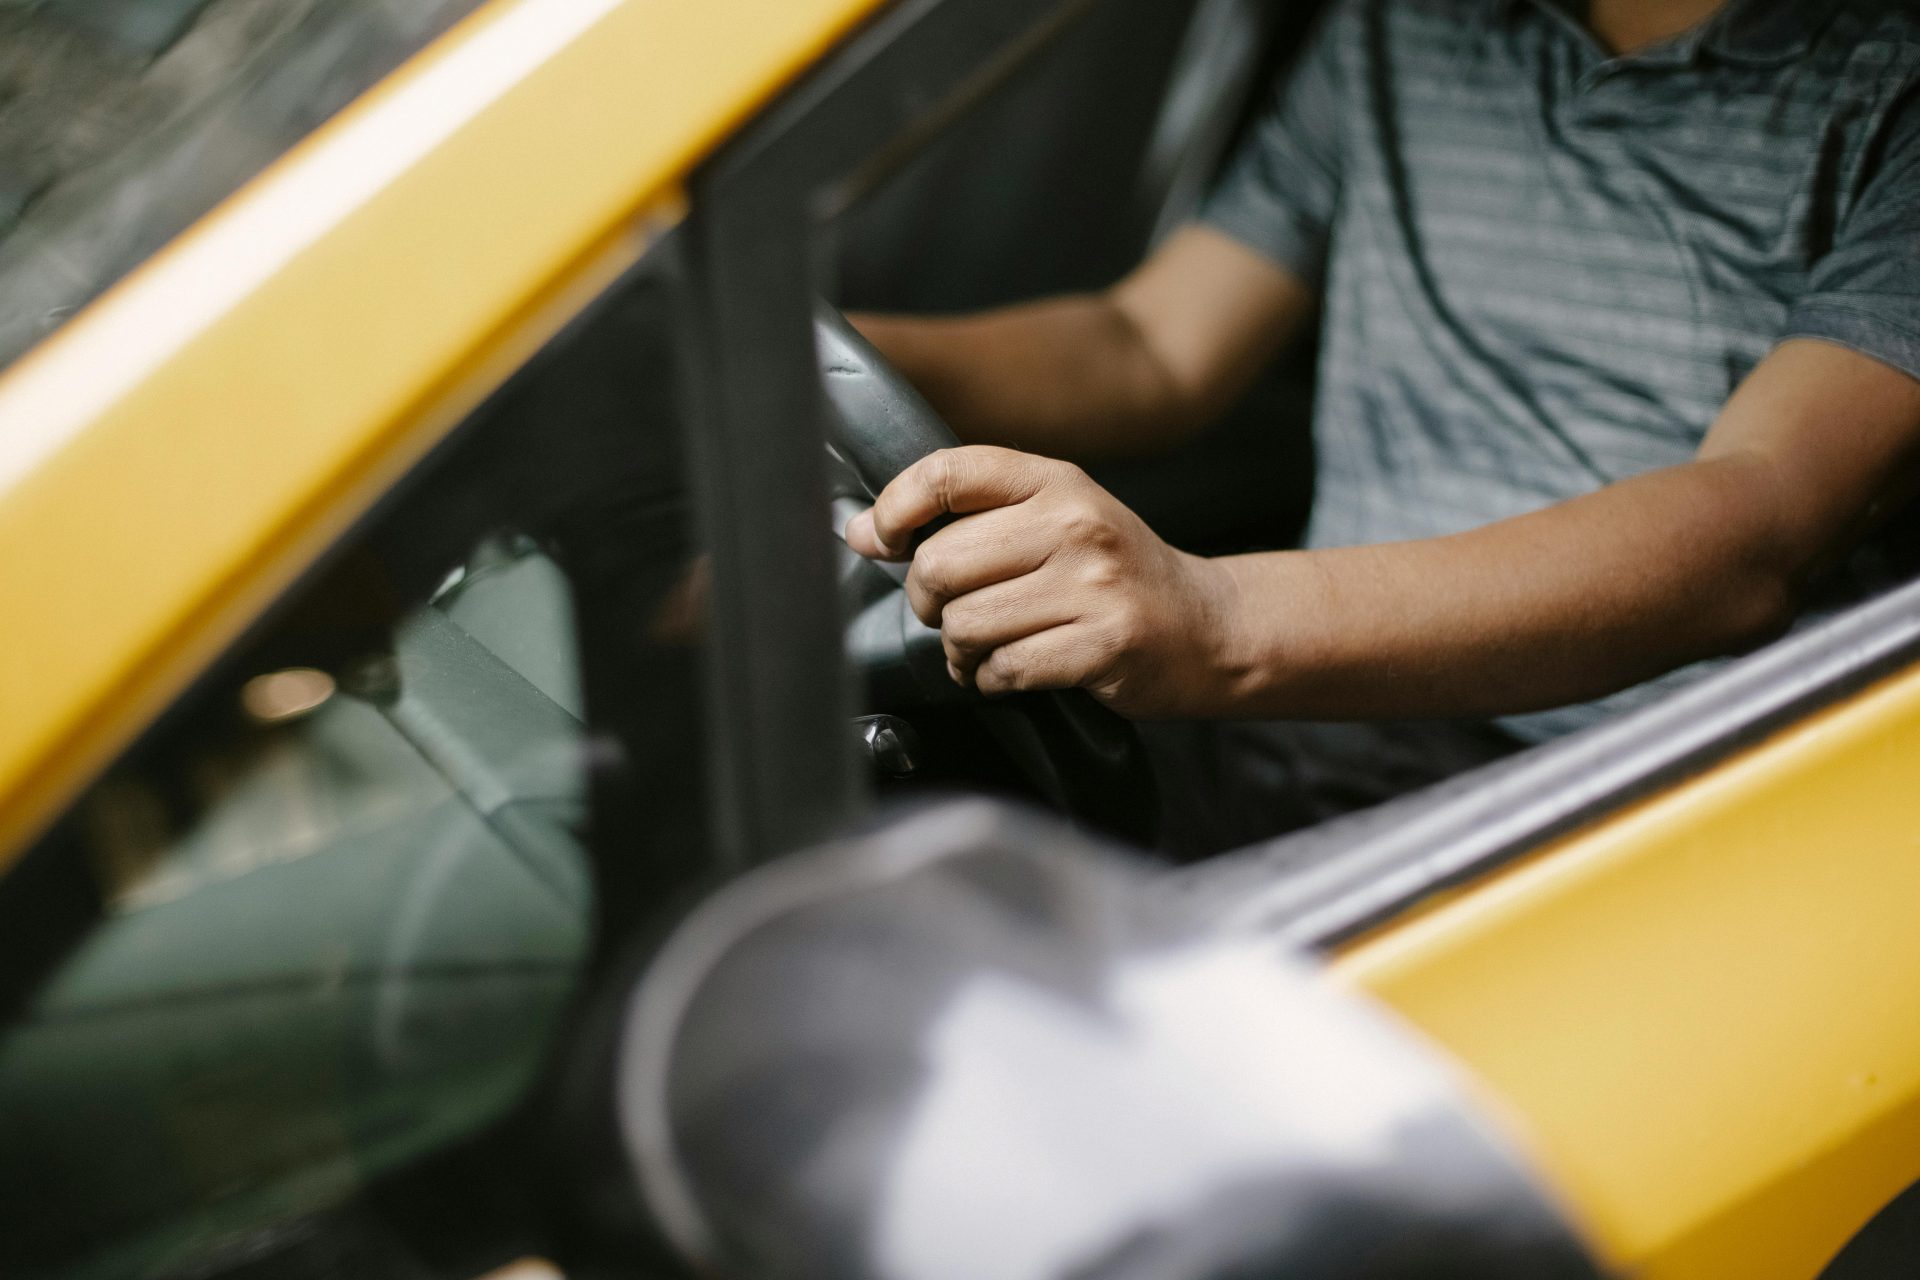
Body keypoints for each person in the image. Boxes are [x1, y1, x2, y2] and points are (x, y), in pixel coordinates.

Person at [846, 0, 1920, 855]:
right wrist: (798, 361)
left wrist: (1215, 616)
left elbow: (1758, 523)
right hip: (1322, 715)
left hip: (1649, 808)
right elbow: (1151, 344)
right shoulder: (1405, 25)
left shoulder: (1893, 82)